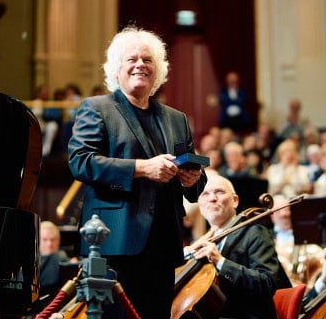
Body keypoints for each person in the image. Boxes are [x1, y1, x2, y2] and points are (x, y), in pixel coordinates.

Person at [67, 26, 206, 319]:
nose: (140, 64)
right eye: (132, 59)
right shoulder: (97, 108)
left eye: (148, 59)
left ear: (158, 71)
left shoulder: (176, 118)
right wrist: (142, 168)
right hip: (115, 241)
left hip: (164, 244)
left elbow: (195, 182)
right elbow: (81, 161)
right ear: (117, 69)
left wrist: (193, 179)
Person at [183, 174, 292, 319]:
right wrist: (187, 252)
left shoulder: (255, 233)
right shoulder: (202, 242)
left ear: (235, 201)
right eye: (205, 194)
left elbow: (267, 283)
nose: (212, 198)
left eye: (219, 192)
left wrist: (220, 261)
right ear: (200, 206)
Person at [38, 221, 70, 307]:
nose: (49, 244)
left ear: (58, 241)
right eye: (45, 239)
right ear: (38, 240)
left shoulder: (61, 257)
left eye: (52, 240)